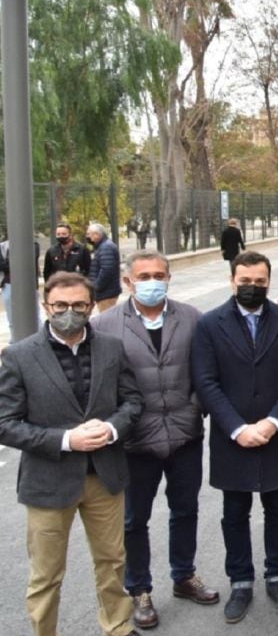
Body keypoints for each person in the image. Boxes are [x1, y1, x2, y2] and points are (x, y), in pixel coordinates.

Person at [0, 272, 143, 636]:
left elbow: (132, 401)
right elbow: (5, 423)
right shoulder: (18, 356)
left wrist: (111, 428)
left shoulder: (111, 347)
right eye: (60, 305)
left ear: (91, 306)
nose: (69, 312)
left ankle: (118, 627)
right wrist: (65, 440)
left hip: (104, 477)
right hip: (49, 482)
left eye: (79, 305)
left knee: (112, 563)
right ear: (46, 306)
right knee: (46, 575)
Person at [92, 251, 218, 630]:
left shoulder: (192, 318)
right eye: (144, 275)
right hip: (134, 443)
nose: (152, 281)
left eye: (159, 274)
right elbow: (103, 385)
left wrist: (194, 409)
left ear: (169, 277)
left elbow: (205, 371)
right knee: (133, 520)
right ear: (128, 281)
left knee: (185, 510)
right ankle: (139, 589)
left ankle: (184, 575)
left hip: (185, 435)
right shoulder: (106, 324)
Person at [191, 251, 278, 624]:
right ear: (232, 280)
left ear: (269, 282)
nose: (252, 287)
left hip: (277, 433)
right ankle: (240, 581)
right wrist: (238, 428)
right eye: (245, 281)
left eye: (260, 282)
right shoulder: (210, 324)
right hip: (232, 436)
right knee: (234, 513)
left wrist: (273, 422)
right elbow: (206, 382)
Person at [1, 236, 42, 332]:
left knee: (34, 315)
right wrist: (15, 263)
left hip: (29, 284)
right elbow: (1, 264)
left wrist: (11, 263)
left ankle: (38, 338)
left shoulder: (33, 245)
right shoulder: (3, 246)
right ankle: (14, 341)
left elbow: (29, 260)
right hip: (9, 284)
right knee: (12, 317)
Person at [87, 223, 122, 313]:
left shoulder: (105, 247)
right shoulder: (101, 247)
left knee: (107, 320)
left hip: (106, 292)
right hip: (106, 291)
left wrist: (96, 286)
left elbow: (107, 270)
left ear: (97, 234)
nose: (87, 237)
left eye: (89, 234)